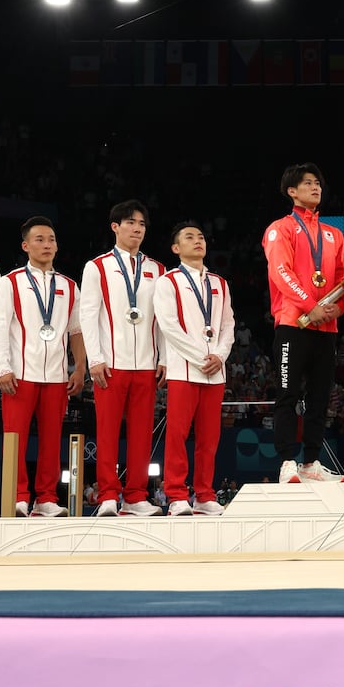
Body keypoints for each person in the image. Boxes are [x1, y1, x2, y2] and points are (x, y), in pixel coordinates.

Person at [0, 217, 86, 517]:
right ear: (26, 245)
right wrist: (2, 368)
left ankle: (45, 497)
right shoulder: (11, 282)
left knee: (51, 439)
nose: (47, 245)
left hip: (56, 376)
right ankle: (18, 495)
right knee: (14, 437)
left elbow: (76, 331)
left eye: (52, 240)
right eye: (40, 239)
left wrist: (80, 367)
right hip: (20, 374)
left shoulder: (70, 286)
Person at [79, 200, 167, 517]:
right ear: (115, 226)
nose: (137, 229)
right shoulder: (97, 267)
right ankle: (107, 495)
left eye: (141, 224)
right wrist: (95, 359)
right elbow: (88, 315)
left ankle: (135, 496)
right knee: (107, 431)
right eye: (130, 222)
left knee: (143, 433)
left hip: (145, 363)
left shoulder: (158, 270)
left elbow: (163, 319)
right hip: (110, 365)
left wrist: (165, 357)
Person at [263, 164, 344, 485]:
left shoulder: (334, 234)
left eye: (318, 183)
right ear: (291, 192)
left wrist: (335, 309)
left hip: (326, 328)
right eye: (307, 183)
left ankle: (311, 463)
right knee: (287, 394)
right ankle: (287, 463)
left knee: (319, 399)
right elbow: (281, 271)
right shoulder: (279, 229)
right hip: (292, 323)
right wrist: (310, 306)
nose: (315, 187)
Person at [154, 221, 235, 515]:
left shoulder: (219, 283)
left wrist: (221, 356)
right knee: (177, 434)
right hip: (185, 369)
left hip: (215, 371)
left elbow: (228, 326)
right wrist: (205, 356)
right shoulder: (168, 281)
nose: (197, 240)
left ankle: (204, 494)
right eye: (189, 237)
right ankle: (176, 495)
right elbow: (169, 327)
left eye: (200, 236)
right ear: (176, 248)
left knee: (209, 437)